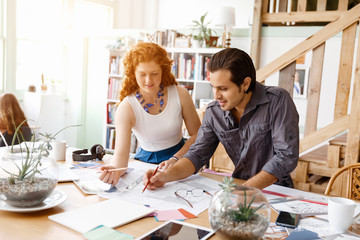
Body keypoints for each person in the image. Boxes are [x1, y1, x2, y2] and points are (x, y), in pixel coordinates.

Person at [143, 48, 299, 190]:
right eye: (213, 87)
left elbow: (286, 156)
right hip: (238, 187)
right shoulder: (214, 112)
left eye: (223, 89)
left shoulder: (278, 101)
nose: (216, 96)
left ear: (245, 84)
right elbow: (196, 155)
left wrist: (243, 191)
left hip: (276, 190)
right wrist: (165, 176)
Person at [100, 42, 201, 185]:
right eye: (142, 74)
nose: (148, 80)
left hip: (181, 158)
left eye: (155, 74)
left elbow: (198, 134)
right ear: (133, 74)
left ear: (163, 71)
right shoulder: (126, 107)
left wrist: (176, 159)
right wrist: (115, 170)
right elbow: (120, 157)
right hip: (145, 162)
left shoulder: (181, 94)